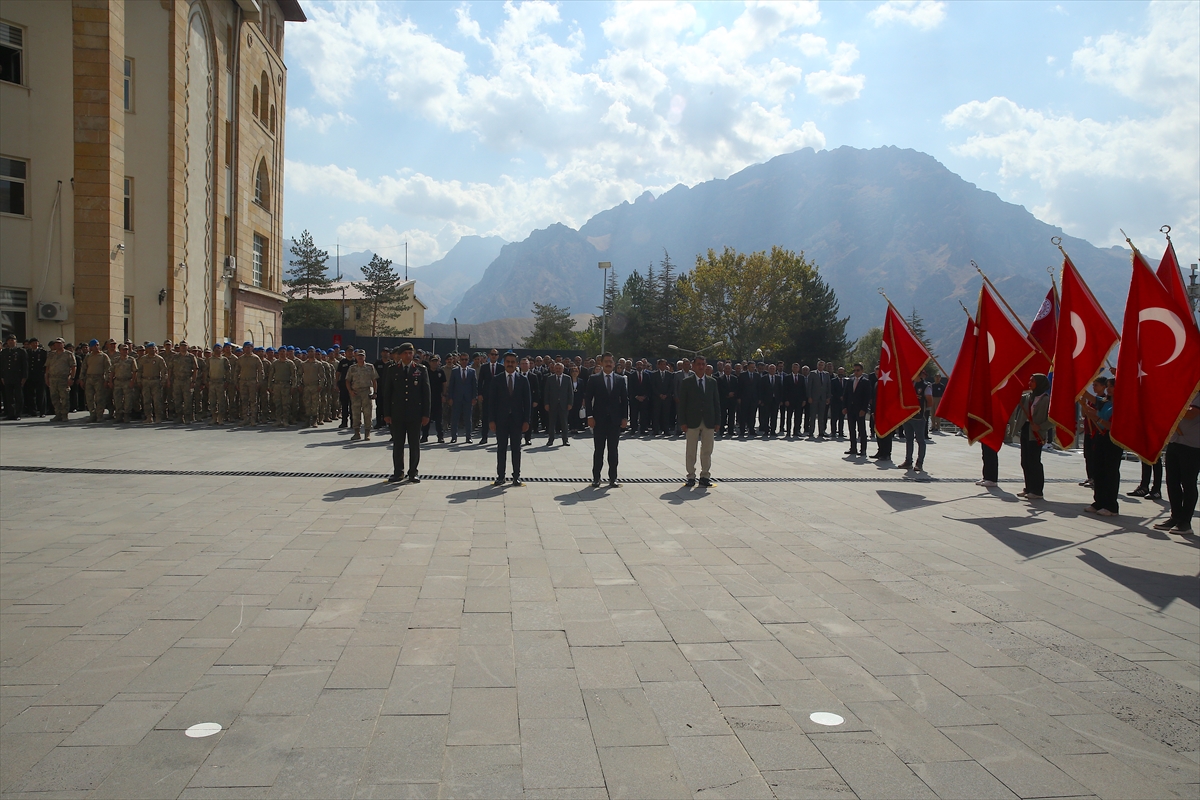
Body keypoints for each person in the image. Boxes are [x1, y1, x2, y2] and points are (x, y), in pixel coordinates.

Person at [382, 343, 430, 482]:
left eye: (410, 353)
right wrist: (386, 414)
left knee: (414, 444)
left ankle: (413, 472)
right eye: (405, 353)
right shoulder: (392, 370)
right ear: (400, 355)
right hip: (398, 413)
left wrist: (426, 414)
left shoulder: (421, 370)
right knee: (398, 444)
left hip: (415, 414)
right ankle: (398, 472)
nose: (408, 356)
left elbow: (426, 394)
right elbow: (388, 393)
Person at [1155, 389, 1199, 535]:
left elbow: (1191, 414)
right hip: (1175, 441)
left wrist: (1173, 406)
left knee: (1188, 482)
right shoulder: (1184, 392)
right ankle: (1175, 516)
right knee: (1172, 481)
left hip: (1192, 445)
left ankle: (1185, 522)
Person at [585, 352, 627, 488]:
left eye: (611, 361)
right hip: (599, 420)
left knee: (613, 451)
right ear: (601, 363)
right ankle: (596, 478)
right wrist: (589, 417)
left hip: (614, 421)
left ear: (614, 364)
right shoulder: (594, 379)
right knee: (599, 450)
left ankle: (613, 478)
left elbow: (624, 401)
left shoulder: (620, 379)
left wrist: (625, 418)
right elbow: (588, 399)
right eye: (606, 361)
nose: (609, 364)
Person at [488, 350, 530, 486]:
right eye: (508, 362)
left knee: (516, 449)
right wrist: (491, 420)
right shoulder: (497, 379)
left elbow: (527, 402)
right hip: (501, 420)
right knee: (501, 448)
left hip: (517, 421)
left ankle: (516, 476)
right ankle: (501, 476)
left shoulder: (523, 380)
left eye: (512, 362)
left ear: (516, 363)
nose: (510, 364)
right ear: (504, 363)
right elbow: (491, 402)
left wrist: (526, 421)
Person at [679, 354, 721, 487]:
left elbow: (716, 402)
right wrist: (682, 422)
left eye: (703, 364)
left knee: (707, 450)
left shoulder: (712, 382)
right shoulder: (687, 382)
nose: (701, 366)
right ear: (693, 366)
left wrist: (718, 421)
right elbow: (682, 404)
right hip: (692, 420)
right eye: (698, 364)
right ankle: (691, 476)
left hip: (709, 420)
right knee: (691, 450)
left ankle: (705, 476)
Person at [1080, 378, 1120, 516]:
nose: (1108, 389)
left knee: (1110, 472)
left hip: (1113, 440)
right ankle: (1099, 502)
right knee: (1098, 470)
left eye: (1111, 387)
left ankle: (1111, 505)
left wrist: (1098, 419)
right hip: (1100, 437)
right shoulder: (1105, 402)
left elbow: (1116, 426)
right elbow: (1089, 397)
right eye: (1108, 386)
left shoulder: (1122, 405)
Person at [1017, 373, 1052, 500]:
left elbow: (1052, 419)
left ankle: (1037, 490)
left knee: (1034, 461)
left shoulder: (1046, 399)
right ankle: (1028, 487)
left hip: (1036, 433)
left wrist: (1041, 426)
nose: (1029, 383)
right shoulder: (1028, 397)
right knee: (1025, 460)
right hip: (1026, 429)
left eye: (1032, 381)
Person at [346, 349, 378, 441]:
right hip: (355, 393)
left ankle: (367, 433)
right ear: (356, 357)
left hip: (366, 392)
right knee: (355, 413)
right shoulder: (352, 368)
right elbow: (347, 380)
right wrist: (350, 391)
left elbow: (374, 380)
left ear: (365, 357)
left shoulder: (370, 367)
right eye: (358, 356)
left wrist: (375, 392)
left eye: (362, 356)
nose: (360, 357)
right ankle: (357, 433)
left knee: (367, 413)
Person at [843, 363, 871, 458]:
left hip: (860, 409)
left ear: (862, 371)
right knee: (852, 429)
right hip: (850, 409)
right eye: (854, 370)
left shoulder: (866, 382)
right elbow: (846, 395)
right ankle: (853, 448)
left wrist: (864, 409)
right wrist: (844, 407)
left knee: (861, 429)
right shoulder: (850, 381)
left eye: (858, 370)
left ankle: (863, 449)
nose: (856, 372)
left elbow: (867, 397)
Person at [543, 359, 573, 446]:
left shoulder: (567, 378)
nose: (558, 370)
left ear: (563, 369)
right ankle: (550, 440)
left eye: (560, 368)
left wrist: (570, 403)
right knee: (551, 423)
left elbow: (570, 392)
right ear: (554, 369)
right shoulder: (550, 379)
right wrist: (546, 403)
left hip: (564, 404)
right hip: (552, 404)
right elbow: (546, 392)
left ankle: (565, 440)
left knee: (564, 423)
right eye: (557, 368)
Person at [448, 352, 477, 443]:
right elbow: (451, 385)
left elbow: (474, 386)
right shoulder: (455, 371)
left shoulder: (472, 371)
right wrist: (450, 397)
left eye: (466, 360)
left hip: (468, 398)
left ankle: (468, 437)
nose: (464, 361)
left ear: (468, 361)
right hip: (457, 398)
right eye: (462, 359)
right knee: (455, 418)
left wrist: (474, 397)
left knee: (468, 418)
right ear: (459, 360)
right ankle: (454, 437)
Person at [44, 338, 75, 421]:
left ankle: (64, 414)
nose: (57, 345)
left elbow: (73, 366)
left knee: (64, 397)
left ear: (63, 344)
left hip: (63, 378)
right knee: (54, 397)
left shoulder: (68, 354)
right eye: (56, 344)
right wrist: (46, 378)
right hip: (53, 378)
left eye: (59, 343)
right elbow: (47, 367)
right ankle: (58, 414)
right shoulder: (51, 354)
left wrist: (71, 378)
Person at [82, 339, 112, 422]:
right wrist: (81, 379)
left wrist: (107, 380)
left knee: (100, 398)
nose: (96, 347)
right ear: (91, 347)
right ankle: (92, 414)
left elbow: (108, 369)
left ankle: (99, 415)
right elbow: (84, 368)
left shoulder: (103, 356)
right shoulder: (88, 356)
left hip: (99, 378)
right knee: (89, 398)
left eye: (97, 345)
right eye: (94, 345)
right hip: (89, 378)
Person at [137, 343, 168, 423]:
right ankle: (149, 417)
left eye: (153, 348)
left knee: (157, 400)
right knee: (146, 400)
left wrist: (163, 381)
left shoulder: (159, 359)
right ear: (147, 349)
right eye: (150, 348)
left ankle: (158, 417)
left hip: (156, 381)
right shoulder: (143, 359)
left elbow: (164, 371)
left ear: (155, 349)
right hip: (145, 381)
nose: (151, 350)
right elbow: (139, 370)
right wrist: (139, 380)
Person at [1, 333, 29, 419]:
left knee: (18, 396)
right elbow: (2, 365)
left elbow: (25, 365)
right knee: (9, 397)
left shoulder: (21, 351)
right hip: (7, 377)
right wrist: (2, 377)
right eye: (9, 340)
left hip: (18, 377)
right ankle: (10, 413)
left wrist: (24, 377)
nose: (11, 342)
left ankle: (18, 414)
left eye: (13, 340)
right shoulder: (4, 352)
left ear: (16, 341)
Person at [478, 348, 501, 445]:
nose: (493, 356)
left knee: (499, 418)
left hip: (499, 397)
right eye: (492, 354)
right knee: (485, 417)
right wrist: (479, 394)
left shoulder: (501, 367)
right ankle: (484, 437)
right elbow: (480, 382)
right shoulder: (484, 367)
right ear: (489, 355)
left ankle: (499, 438)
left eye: (495, 354)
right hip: (486, 396)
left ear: (498, 356)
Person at [110, 343, 137, 423]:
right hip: (118, 381)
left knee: (128, 400)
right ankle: (118, 415)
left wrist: (133, 381)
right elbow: (112, 371)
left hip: (127, 381)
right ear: (120, 350)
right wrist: (110, 381)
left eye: (127, 349)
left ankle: (126, 415)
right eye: (123, 349)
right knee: (117, 399)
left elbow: (135, 371)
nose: (125, 351)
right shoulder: (116, 360)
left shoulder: (131, 360)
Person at [423, 354, 446, 444]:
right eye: (433, 361)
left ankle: (440, 436)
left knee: (438, 419)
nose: (434, 363)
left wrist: (444, 395)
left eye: (436, 361)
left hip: (437, 398)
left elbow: (444, 384)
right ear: (429, 362)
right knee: (426, 417)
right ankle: (424, 436)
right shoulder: (426, 372)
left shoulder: (440, 372)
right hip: (427, 398)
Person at [806, 360, 829, 439]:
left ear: (824, 366)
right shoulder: (812, 373)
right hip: (814, 398)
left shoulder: (826, 374)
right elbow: (809, 386)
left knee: (821, 416)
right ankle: (811, 431)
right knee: (812, 415)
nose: (820, 366)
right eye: (819, 365)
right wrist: (809, 396)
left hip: (823, 398)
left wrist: (828, 397)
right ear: (817, 365)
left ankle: (821, 431)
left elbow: (828, 386)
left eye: (822, 365)